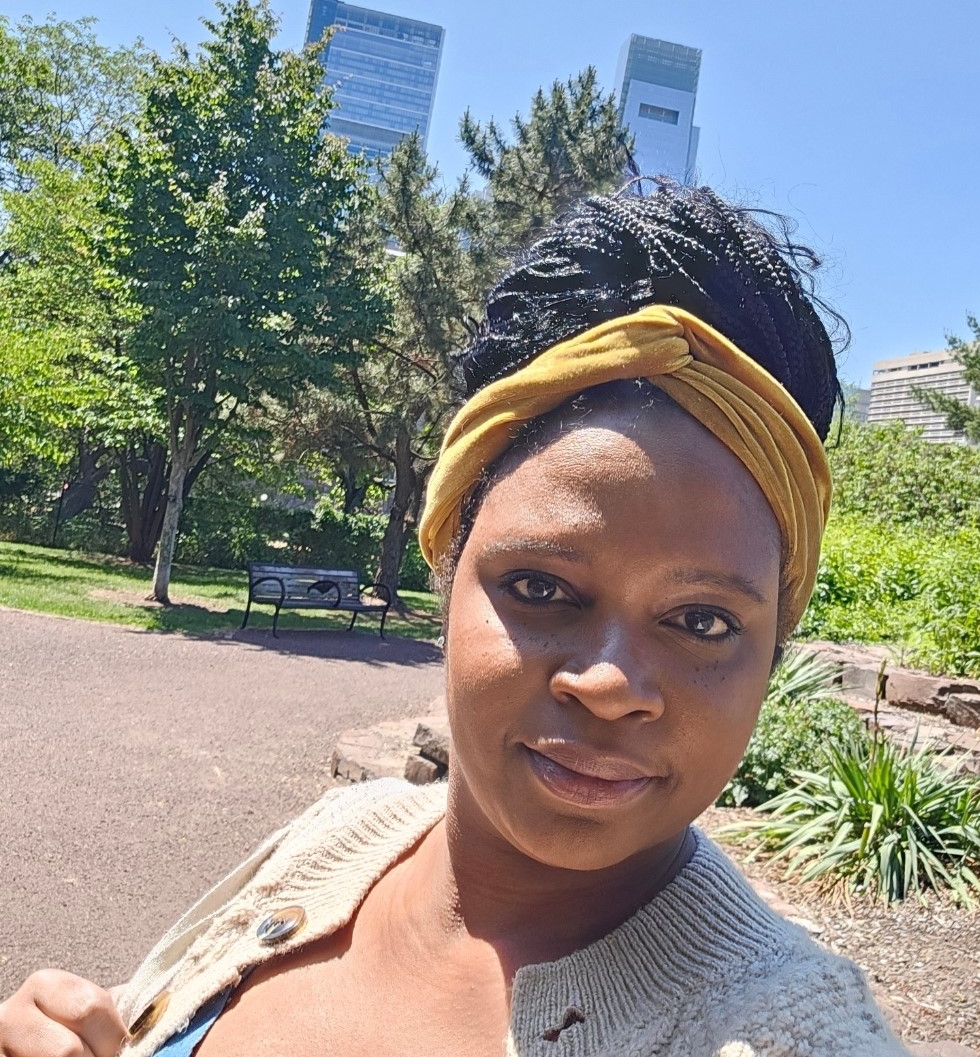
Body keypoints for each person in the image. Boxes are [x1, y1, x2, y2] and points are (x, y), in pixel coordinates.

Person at [0, 185, 908, 1056]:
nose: (608, 683)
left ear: (772, 648)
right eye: (541, 588)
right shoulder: (349, 832)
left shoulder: (794, 1035)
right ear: (446, 572)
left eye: (702, 621)